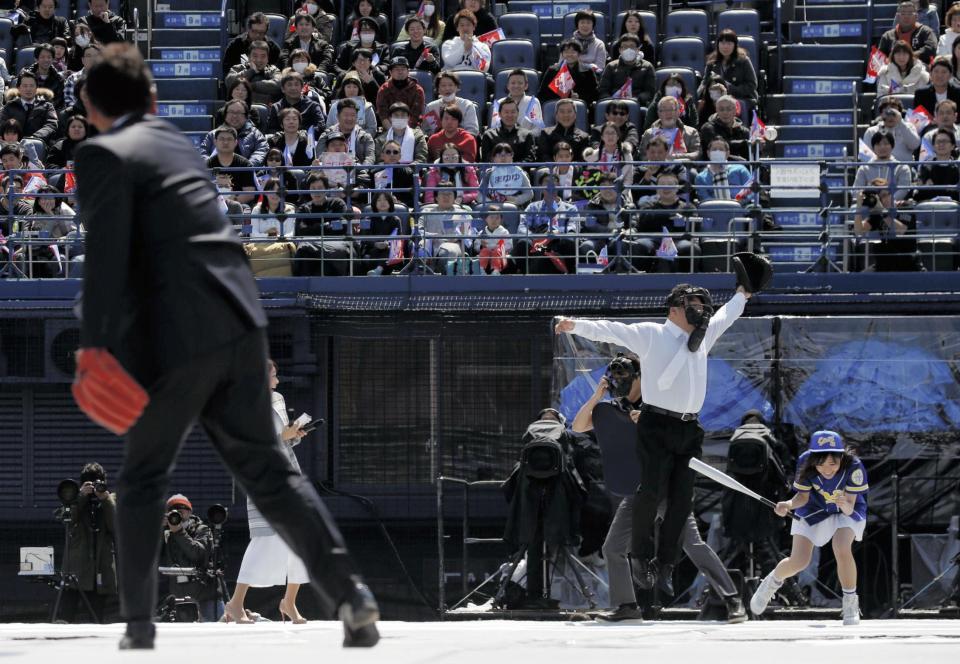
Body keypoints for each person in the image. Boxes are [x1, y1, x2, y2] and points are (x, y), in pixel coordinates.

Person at [71, 44, 379, 649]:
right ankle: (352, 595)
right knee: (271, 474)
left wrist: (93, 349)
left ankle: (138, 626)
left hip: (179, 332)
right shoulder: (179, 143)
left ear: (88, 105)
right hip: (243, 317)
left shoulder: (99, 153)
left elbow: (106, 260)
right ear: (155, 102)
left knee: (141, 478)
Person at [554, 279, 754, 596]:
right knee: (648, 495)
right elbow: (610, 329)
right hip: (656, 423)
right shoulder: (652, 334)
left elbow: (727, 315)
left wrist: (743, 293)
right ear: (675, 309)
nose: (701, 310)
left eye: (702, 305)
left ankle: (664, 566)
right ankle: (641, 558)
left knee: (680, 502)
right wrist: (574, 325)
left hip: (689, 428)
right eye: (694, 304)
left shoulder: (703, 337)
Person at [572, 359, 746, 623]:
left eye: (628, 375)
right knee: (613, 548)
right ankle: (626, 606)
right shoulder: (613, 408)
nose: (623, 381)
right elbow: (579, 426)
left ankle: (732, 599)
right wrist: (598, 395)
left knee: (692, 544)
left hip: (670, 488)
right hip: (639, 491)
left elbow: (686, 433)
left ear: (643, 376)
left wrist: (651, 424)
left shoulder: (663, 404)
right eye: (617, 376)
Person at [223, 360, 316, 624]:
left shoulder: (277, 399)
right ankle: (236, 603)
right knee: (266, 538)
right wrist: (283, 437)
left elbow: (283, 440)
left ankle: (289, 602)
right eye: (273, 376)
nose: (276, 381)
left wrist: (295, 434)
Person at [750, 431, 869, 626]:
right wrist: (787, 504)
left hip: (846, 510)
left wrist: (843, 503)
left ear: (841, 457)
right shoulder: (805, 462)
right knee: (799, 561)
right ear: (813, 459)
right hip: (815, 508)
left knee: (841, 547)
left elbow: (849, 505)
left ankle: (850, 604)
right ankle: (772, 582)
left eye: (833, 463)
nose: (827, 469)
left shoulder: (854, 466)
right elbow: (802, 497)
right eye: (821, 464)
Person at [59, 462, 119, 623]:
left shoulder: (111, 500)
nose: (94, 488)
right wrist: (80, 497)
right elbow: (67, 520)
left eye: (98, 483)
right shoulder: (74, 499)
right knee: (65, 617)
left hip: (100, 569)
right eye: (90, 484)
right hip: (76, 570)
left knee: (96, 619)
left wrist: (105, 499)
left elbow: (116, 526)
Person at [161, 494, 223, 622]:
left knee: (216, 631)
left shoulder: (202, 529)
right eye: (173, 511)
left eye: (181, 511)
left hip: (205, 595)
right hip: (178, 597)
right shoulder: (165, 532)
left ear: (189, 512)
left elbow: (198, 554)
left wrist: (178, 531)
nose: (178, 515)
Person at [698, 30, 758, 116]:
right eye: (722, 43)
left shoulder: (743, 60)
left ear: (735, 45)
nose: (725, 47)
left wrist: (729, 88)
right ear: (718, 44)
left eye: (729, 43)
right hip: (716, 97)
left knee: (731, 104)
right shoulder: (712, 62)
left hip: (741, 97)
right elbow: (704, 83)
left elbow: (751, 85)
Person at [0, 71, 60, 148]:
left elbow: (51, 125)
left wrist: (34, 137)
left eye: (31, 86)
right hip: (12, 146)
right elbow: (2, 124)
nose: (28, 89)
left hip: (37, 144)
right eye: (25, 86)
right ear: (18, 88)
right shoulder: (10, 106)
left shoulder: (46, 106)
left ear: (36, 88)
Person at [200, 100, 269, 166]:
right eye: (231, 112)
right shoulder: (213, 134)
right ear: (225, 115)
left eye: (239, 113)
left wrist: (247, 167)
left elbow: (261, 151)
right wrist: (211, 166)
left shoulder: (255, 134)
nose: (234, 116)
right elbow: (203, 152)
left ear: (246, 117)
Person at [853, 131, 914, 203]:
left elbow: (903, 189)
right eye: (878, 144)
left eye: (886, 144)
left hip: (894, 206)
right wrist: (868, 199)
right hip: (869, 205)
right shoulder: (864, 168)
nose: (882, 147)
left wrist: (888, 200)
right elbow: (856, 190)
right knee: (855, 210)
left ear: (892, 146)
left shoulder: (902, 168)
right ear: (873, 147)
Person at [598, 33, 656, 107]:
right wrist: (611, 101)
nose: (628, 49)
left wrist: (637, 100)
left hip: (638, 105)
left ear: (638, 49)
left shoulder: (647, 67)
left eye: (632, 47)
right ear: (620, 50)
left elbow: (650, 92)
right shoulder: (611, 67)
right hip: (613, 105)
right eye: (625, 47)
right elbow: (603, 90)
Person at [538, 39, 599, 108]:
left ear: (579, 54)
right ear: (562, 54)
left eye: (573, 52)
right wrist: (561, 97)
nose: (569, 54)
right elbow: (542, 94)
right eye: (566, 52)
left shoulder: (588, 71)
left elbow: (595, 94)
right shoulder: (552, 70)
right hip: (556, 108)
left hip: (581, 108)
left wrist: (580, 97)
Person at [639, 96, 701, 162]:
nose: (668, 113)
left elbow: (697, 154)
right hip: (656, 169)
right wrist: (657, 157)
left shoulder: (691, 132)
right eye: (664, 110)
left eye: (672, 109)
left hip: (684, 168)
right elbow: (642, 155)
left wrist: (674, 156)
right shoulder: (649, 134)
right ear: (659, 113)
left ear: (678, 112)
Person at [205, 125, 257, 204]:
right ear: (215, 142)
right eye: (222, 139)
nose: (225, 142)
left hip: (238, 206)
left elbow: (249, 194)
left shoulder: (245, 164)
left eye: (229, 139)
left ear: (236, 142)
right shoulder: (207, 165)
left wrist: (230, 203)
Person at [694, 137, 754, 203]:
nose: (717, 152)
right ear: (708, 153)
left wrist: (739, 202)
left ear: (727, 153)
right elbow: (704, 198)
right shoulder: (700, 178)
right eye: (714, 149)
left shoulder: (740, 170)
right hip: (714, 210)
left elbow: (752, 190)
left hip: (741, 208)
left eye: (721, 149)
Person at [421, 70, 479, 136]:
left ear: (457, 87)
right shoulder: (430, 107)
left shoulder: (467, 105)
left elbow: (472, 130)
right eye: (443, 85)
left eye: (451, 85)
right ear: (438, 89)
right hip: (438, 143)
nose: (447, 88)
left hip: (462, 142)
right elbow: (425, 131)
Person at [863, 96, 921, 163]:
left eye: (893, 114)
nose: (890, 117)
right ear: (881, 114)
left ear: (900, 113)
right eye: (887, 113)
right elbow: (865, 157)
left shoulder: (908, 127)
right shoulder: (871, 131)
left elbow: (915, 145)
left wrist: (901, 123)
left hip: (905, 169)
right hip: (879, 169)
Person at [224, 41, 283, 106]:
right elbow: (229, 82)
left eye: (263, 56)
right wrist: (251, 71)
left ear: (267, 59)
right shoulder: (238, 68)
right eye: (255, 56)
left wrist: (252, 86)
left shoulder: (273, 70)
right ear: (249, 57)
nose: (259, 60)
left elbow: (279, 84)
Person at [267, 71, 325, 135]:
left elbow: (320, 127)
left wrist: (302, 134)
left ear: (302, 88)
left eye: (296, 84)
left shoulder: (313, 106)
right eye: (289, 85)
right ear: (283, 89)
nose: (293, 88)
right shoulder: (276, 107)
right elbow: (271, 129)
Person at [489, 68, 544, 136]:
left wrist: (523, 138)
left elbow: (538, 129)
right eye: (513, 83)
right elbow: (494, 128)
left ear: (526, 86)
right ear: (508, 86)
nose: (516, 86)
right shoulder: (499, 103)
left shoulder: (533, 102)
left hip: (526, 142)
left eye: (520, 83)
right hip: (504, 142)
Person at [376, 56, 425, 128]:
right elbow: (383, 115)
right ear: (390, 72)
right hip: (389, 128)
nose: (400, 72)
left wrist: (404, 132)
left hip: (412, 129)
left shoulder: (417, 90)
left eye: (403, 69)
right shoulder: (384, 90)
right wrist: (392, 131)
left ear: (408, 71)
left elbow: (415, 115)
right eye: (396, 69)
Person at [483, 96, 537, 162]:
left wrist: (513, 168)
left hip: (520, 171)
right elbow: (486, 159)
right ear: (499, 114)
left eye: (513, 112)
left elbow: (530, 158)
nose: (510, 115)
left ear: (517, 113)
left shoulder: (527, 135)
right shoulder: (489, 135)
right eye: (506, 112)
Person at [698, 95, 751, 161]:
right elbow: (719, 146)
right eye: (721, 109)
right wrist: (744, 143)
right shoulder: (708, 128)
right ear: (716, 110)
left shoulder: (744, 131)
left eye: (729, 109)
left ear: (735, 110)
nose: (725, 112)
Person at [26, 42, 65, 109]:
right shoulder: (25, 76)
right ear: (36, 59)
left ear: (53, 59)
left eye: (49, 57)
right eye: (42, 57)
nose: (46, 60)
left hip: (49, 112)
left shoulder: (59, 79)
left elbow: (59, 101)